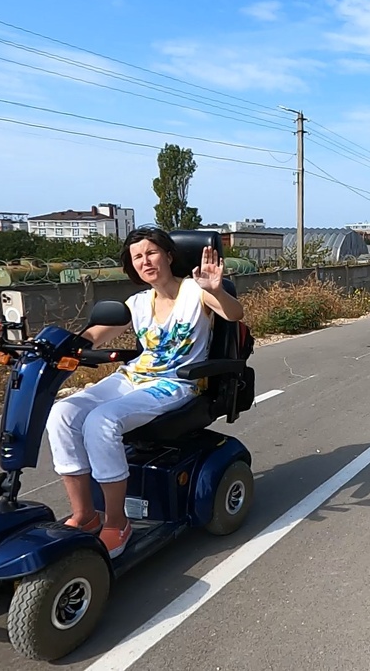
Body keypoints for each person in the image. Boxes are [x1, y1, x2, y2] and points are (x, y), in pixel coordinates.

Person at [47, 228, 244, 558]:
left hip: (176, 383)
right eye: (137, 256)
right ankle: (84, 514)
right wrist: (56, 349)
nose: (145, 261)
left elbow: (233, 314)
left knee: (102, 421)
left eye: (151, 253)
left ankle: (116, 522)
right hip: (132, 378)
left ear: (168, 255)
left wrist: (216, 290)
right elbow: (93, 335)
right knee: (62, 414)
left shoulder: (197, 291)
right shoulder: (136, 303)